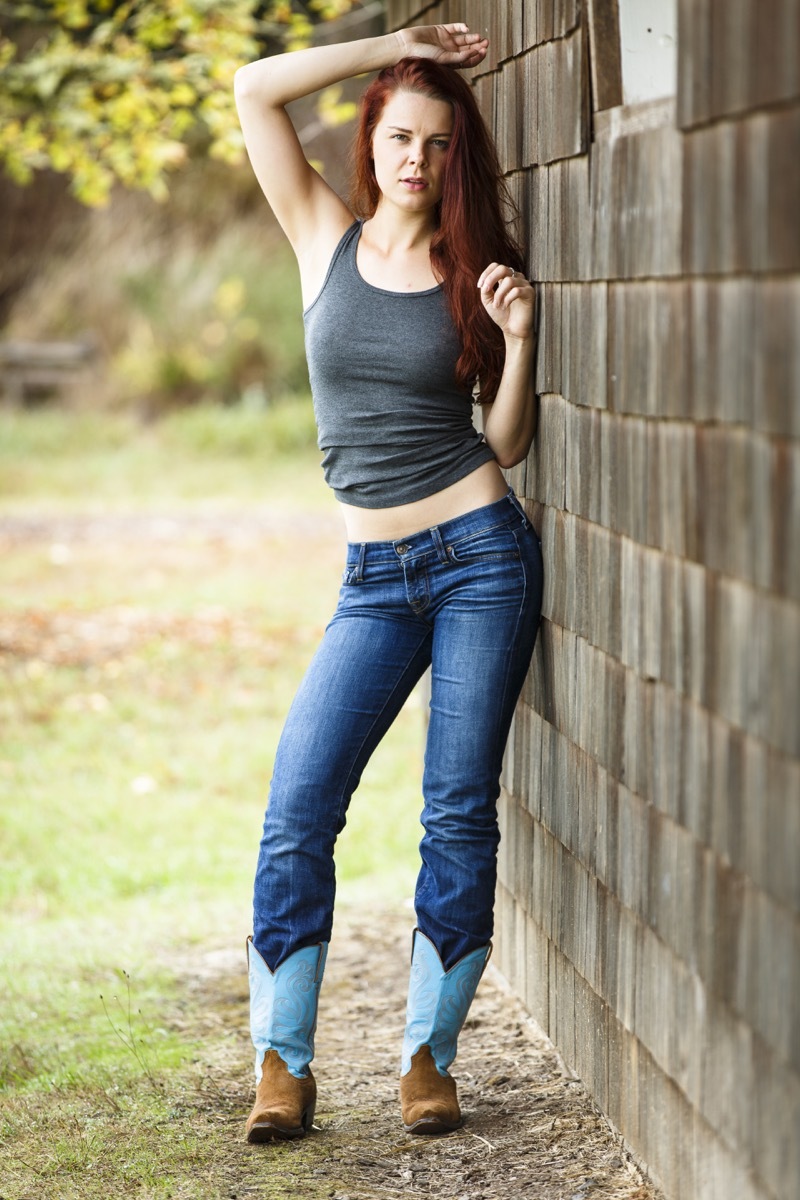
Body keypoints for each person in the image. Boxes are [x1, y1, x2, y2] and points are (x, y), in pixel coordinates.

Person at [234, 20, 544, 1143]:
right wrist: (397, 43)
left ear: (457, 161)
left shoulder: (473, 272)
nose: (415, 159)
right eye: (398, 136)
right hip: (371, 576)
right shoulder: (320, 234)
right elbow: (254, 87)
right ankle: (283, 1066)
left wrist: (519, 344)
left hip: (477, 560)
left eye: (435, 146)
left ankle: (426, 1061)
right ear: (371, 140)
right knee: (296, 810)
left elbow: (503, 448)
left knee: (455, 813)